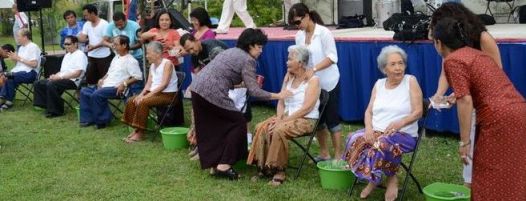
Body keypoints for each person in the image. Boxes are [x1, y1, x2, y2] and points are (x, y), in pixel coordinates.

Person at [432, 17, 526, 201]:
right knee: (514, 171)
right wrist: (457, 95)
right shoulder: (476, 54)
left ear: (439, 43)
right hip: (519, 110)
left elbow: (465, 101)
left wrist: (464, 142)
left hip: (498, 117)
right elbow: (485, 86)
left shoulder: (452, 60)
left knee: (487, 173)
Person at [190, 28, 291, 180]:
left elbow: (224, 77)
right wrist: (279, 95)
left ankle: (214, 165)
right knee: (238, 123)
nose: (261, 51)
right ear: (250, 45)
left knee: (213, 126)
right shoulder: (248, 60)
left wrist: (243, 84)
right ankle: (224, 165)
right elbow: (255, 92)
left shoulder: (230, 52)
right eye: (259, 47)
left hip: (197, 89)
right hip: (212, 93)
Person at [428, 2, 503, 188]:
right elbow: (446, 70)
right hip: (472, 100)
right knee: (473, 156)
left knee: (483, 151)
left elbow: (496, 73)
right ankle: (469, 187)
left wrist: (462, 92)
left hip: (489, 103)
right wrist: (440, 94)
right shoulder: (448, 42)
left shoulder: (483, 38)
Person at [344, 45, 423, 201]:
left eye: (401, 63)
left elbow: (418, 112)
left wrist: (400, 123)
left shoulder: (410, 81)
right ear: (384, 68)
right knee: (355, 138)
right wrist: (368, 129)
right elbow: (368, 112)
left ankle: (388, 179)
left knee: (381, 144)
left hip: (403, 134)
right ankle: (375, 177)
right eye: (393, 64)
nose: (398, 68)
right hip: (377, 130)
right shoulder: (379, 84)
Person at [247, 45, 320, 186]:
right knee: (261, 127)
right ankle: (263, 167)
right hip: (288, 116)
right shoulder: (289, 78)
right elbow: (281, 101)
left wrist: (283, 121)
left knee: (278, 130)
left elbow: (306, 108)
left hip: (306, 119)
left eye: (290, 59)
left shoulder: (313, 81)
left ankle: (278, 170)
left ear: (300, 63)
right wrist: (279, 118)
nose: (286, 62)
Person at [288, 3, 342, 162]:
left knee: (332, 120)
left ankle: (339, 156)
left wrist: (314, 69)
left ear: (307, 16)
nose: (297, 27)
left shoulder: (324, 33)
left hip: (329, 81)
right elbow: (299, 58)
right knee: (317, 120)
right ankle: (324, 153)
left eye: (298, 22)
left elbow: (332, 57)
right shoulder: (299, 36)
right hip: (311, 85)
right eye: (294, 24)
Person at [181, 33, 230, 160]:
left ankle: (207, 148)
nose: (191, 52)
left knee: (208, 112)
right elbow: (198, 75)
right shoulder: (194, 55)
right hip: (216, 83)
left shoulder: (213, 48)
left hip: (231, 82)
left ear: (197, 40)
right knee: (196, 108)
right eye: (188, 51)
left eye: (192, 48)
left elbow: (222, 71)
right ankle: (200, 145)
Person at [80, 35, 143, 129]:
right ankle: (88, 119)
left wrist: (124, 84)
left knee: (97, 94)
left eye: (116, 44)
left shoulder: (131, 60)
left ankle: (102, 121)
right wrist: (102, 79)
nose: (113, 46)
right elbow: (109, 72)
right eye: (113, 44)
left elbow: (138, 77)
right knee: (84, 91)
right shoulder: (116, 57)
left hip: (117, 88)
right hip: (106, 85)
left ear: (124, 45)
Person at [122, 41, 178, 142]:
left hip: (167, 95)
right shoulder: (152, 65)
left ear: (158, 53)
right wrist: (141, 94)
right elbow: (148, 84)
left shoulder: (167, 64)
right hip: (154, 93)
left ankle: (140, 133)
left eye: (148, 53)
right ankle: (136, 129)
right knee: (132, 100)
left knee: (143, 102)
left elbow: (163, 84)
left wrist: (146, 97)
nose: (146, 56)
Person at [140, 9, 185, 125]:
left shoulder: (174, 32)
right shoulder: (154, 30)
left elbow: (179, 49)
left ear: (171, 21)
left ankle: (177, 121)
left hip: (172, 66)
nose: (164, 22)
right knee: (158, 92)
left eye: (167, 20)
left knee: (175, 95)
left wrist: (169, 47)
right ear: (158, 21)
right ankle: (162, 120)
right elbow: (142, 36)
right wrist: (154, 35)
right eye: (162, 19)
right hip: (157, 67)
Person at [33, 36, 87, 118]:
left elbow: (77, 73)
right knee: (39, 83)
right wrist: (54, 76)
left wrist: (60, 77)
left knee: (51, 84)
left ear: (75, 44)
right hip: (64, 78)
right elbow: (62, 71)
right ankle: (46, 105)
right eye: (65, 44)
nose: (66, 46)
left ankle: (56, 111)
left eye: (68, 44)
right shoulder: (67, 55)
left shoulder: (80, 55)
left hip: (74, 80)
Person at [0, 29, 41, 111]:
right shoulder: (21, 48)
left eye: (18, 36)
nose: (17, 38)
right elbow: (19, 64)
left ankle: (2, 98)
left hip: (31, 73)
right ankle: (8, 101)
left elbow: (34, 64)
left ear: (25, 37)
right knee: (7, 76)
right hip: (20, 72)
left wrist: (18, 58)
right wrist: (15, 59)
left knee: (9, 76)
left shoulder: (33, 47)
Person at [78, 4, 113, 86]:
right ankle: (91, 94)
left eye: (86, 15)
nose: (85, 17)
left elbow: (105, 40)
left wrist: (94, 47)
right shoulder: (87, 24)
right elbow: (83, 37)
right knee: (91, 79)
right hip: (91, 56)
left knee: (104, 80)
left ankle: (102, 95)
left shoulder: (104, 24)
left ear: (93, 13)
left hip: (103, 56)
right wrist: (78, 38)